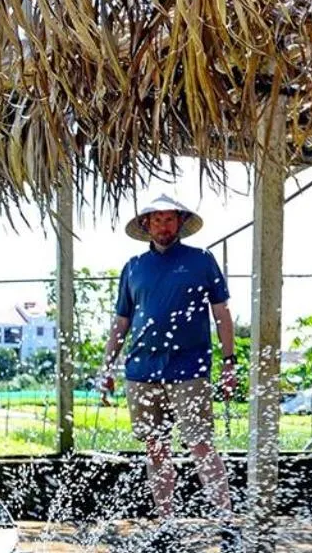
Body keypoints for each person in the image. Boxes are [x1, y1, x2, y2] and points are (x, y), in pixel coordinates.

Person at [99, 193, 240, 528]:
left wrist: (229, 362)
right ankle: (166, 523)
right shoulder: (133, 267)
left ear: (180, 222)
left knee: (200, 444)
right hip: (142, 372)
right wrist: (106, 367)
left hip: (189, 370)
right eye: (157, 220)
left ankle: (226, 521)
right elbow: (122, 321)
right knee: (156, 447)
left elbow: (221, 313)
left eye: (169, 219)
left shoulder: (201, 261)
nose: (164, 226)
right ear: (146, 225)